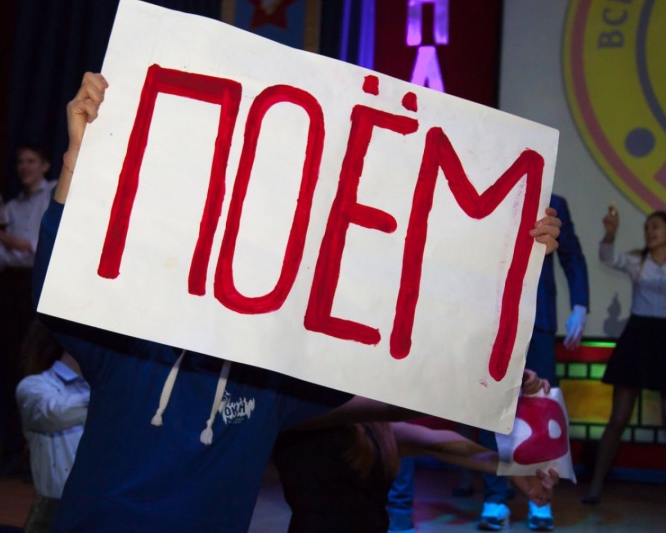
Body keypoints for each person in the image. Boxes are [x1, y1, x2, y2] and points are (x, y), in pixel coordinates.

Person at [34, 72, 563, 532]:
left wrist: (507, 252)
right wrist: (75, 161)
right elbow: (58, 286)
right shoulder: (127, 349)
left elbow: (404, 387)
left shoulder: (270, 388)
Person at [386, 193, 588, 532]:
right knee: (494, 407)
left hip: (537, 316)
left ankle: (540, 500)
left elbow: (572, 256)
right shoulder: (482, 190)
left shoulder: (553, 199)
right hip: (488, 315)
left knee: (540, 404)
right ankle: (495, 498)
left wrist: (580, 304)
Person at [274, 371, 554, 533]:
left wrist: (512, 468)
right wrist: (497, 384)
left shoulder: (372, 426)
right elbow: (394, 408)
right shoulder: (297, 408)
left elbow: (437, 444)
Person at [582, 208, 666, 506]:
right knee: (618, 418)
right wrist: (610, 233)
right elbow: (608, 257)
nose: (649, 232)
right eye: (647, 228)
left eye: (655, 227)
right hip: (637, 337)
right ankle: (595, 487)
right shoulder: (637, 261)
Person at [0, 142, 57, 479]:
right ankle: (13, 451)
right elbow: (0, 262)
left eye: (30, 161)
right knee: (13, 364)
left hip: (42, 287)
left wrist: (19, 243)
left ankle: (40, 456)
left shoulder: (54, 194)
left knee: (39, 362)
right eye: (20, 162)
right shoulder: (10, 207)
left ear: (45, 165)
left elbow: (50, 243)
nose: (24, 167)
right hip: (13, 288)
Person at [16, 320, 90, 533]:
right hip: (51, 517)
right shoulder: (35, 386)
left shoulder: (101, 390)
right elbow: (52, 413)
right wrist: (112, 394)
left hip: (97, 510)